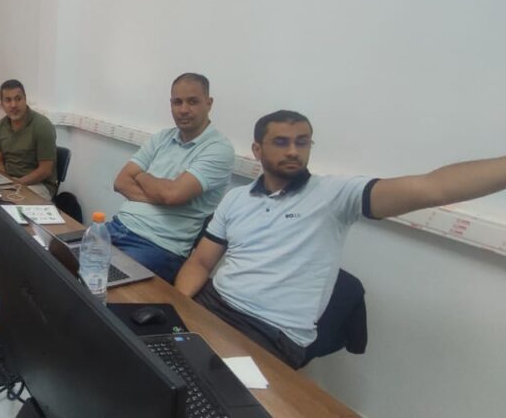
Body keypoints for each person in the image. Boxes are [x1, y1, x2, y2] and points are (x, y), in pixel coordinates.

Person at [175, 110, 506, 368]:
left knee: (202, 394)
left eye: (302, 142)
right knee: (155, 362)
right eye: (281, 142)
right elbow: (201, 262)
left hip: (269, 332)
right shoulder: (237, 198)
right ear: (257, 150)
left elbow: (433, 188)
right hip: (213, 304)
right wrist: (177, 308)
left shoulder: (335, 196)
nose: (293, 151)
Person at [110, 73, 235, 282]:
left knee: (96, 282)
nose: (183, 109)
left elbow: (172, 195)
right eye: (177, 102)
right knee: (61, 260)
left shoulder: (219, 149)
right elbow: (121, 182)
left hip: (158, 246)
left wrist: (141, 175)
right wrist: (162, 195)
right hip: (118, 226)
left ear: (209, 103)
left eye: (192, 102)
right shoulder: (162, 137)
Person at [0, 79, 58, 200]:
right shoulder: (1, 125)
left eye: (18, 99)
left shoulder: (42, 126)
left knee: (7, 202)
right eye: (8, 100)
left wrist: (16, 184)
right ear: (2, 103)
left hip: (38, 184)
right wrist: (6, 181)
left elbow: (45, 170)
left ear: (25, 99)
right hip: (10, 181)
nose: (13, 105)